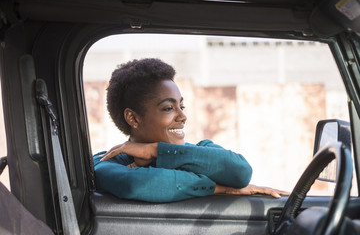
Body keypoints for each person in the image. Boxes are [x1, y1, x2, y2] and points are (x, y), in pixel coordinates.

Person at [93, 58, 288, 202]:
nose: (183, 116)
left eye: (181, 106)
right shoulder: (106, 163)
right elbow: (137, 184)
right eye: (169, 108)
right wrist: (222, 188)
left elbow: (240, 172)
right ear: (133, 118)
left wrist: (154, 151)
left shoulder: (203, 149)